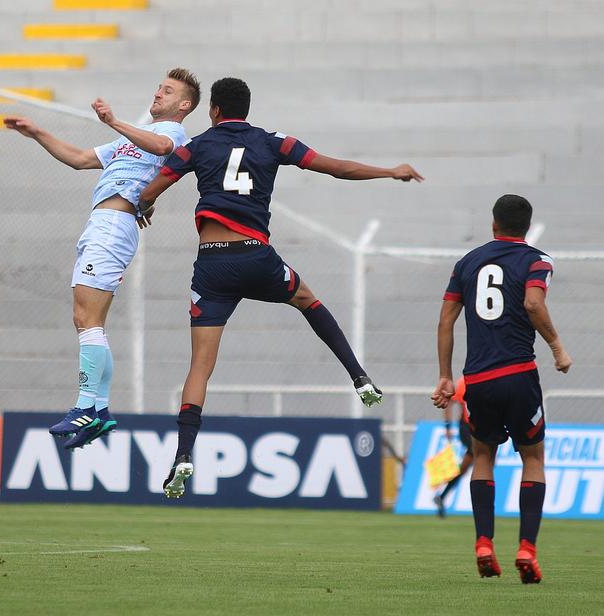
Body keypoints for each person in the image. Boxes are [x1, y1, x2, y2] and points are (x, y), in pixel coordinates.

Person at [135, 77, 423, 498]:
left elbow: (154, 187)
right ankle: (359, 377)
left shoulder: (196, 146)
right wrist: (389, 171)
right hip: (256, 256)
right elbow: (337, 168)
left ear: (213, 110)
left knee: (200, 366)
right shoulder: (274, 142)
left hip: (212, 264)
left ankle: (182, 454)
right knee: (307, 299)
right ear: (246, 110)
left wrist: (146, 204)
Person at [4, 68, 200, 450]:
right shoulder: (133, 141)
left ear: (184, 105)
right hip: (103, 224)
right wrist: (38, 133)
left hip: (113, 226)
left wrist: (113, 121)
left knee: (86, 318)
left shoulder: (171, 134)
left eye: (168, 91)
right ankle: (100, 411)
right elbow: (79, 158)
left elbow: (163, 151)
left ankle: (85, 408)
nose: (158, 93)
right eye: (158, 87)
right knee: (89, 322)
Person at [431, 194, 571, 584]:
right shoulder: (537, 261)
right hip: (518, 374)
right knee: (533, 459)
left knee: (482, 456)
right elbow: (532, 302)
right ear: (526, 226)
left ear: (493, 224)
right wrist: (557, 346)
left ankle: (483, 544)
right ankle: (527, 549)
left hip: (476, 380)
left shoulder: (467, 263)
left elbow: (446, 320)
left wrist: (445, 375)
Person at [433, 377, 474, 518]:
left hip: (480, 428)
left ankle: (442, 496)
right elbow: (450, 402)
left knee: (465, 467)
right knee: (480, 458)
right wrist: (448, 425)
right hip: (467, 428)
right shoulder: (464, 382)